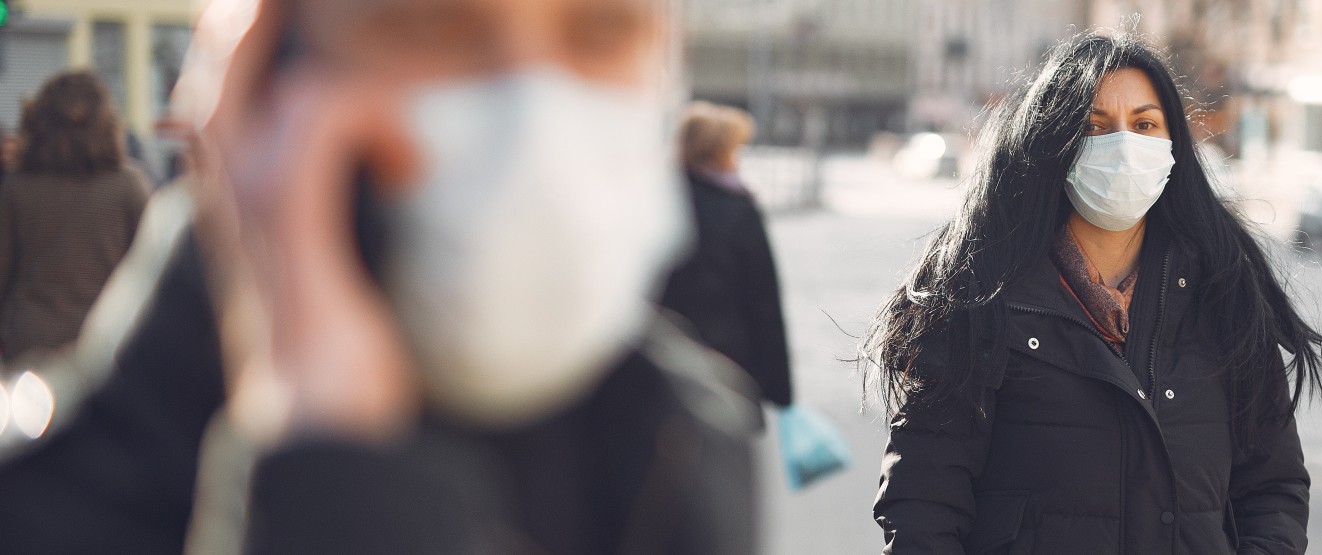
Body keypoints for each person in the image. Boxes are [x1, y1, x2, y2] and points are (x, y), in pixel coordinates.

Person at [0, 1, 762, 553]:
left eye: (601, 31)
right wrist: (332, 481)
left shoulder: (688, 436)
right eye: (431, 25)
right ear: (267, 76)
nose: (531, 106)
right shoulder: (38, 504)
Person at [868, 32, 1322, 555]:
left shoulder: (1223, 296)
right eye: (1094, 127)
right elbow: (923, 508)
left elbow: (1273, 489)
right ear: (1051, 144)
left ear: (1173, 142)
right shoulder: (976, 299)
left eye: (1144, 124)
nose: (1123, 146)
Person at [0, 71, 152, 363]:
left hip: (31, 346)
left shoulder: (17, 189)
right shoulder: (129, 188)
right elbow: (152, 277)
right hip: (108, 347)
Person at [661, 101, 794, 408]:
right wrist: (780, 395)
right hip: (726, 364)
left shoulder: (654, 198)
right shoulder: (736, 208)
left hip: (660, 356)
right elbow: (763, 302)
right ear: (721, 150)